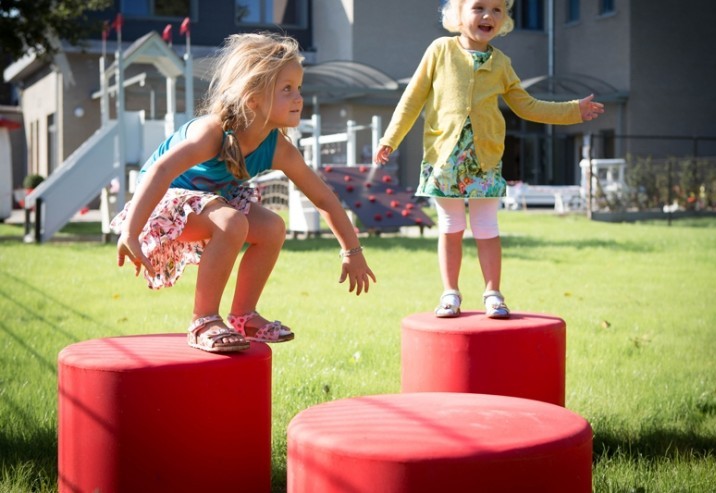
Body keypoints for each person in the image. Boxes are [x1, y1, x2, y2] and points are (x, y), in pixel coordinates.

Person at [112, 33, 376, 353]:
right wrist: (131, 231)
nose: (298, 98)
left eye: (299, 88)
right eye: (287, 89)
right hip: (163, 198)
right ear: (253, 98)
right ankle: (204, 320)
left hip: (214, 203)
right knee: (232, 222)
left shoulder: (278, 147)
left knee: (272, 227)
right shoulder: (212, 132)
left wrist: (352, 250)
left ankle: (243, 316)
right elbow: (160, 171)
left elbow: (323, 197)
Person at [374, 0, 603, 319]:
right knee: (451, 226)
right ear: (456, 15)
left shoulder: (501, 63)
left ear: (504, 20)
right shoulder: (440, 50)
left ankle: (493, 293)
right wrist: (390, 139)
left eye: (497, 10)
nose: (488, 16)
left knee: (486, 227)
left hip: (484, 159)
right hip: (444, 158)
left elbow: (528, 106)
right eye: (479, 7)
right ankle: (450, 293)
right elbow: (412, 99)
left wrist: (572, 110)